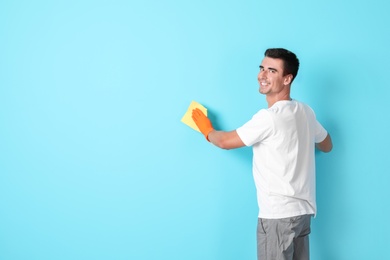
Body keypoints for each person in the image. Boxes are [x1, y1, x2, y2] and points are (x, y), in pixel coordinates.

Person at [191, 48, 333, 260]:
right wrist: (298, 143)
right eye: (262, 68)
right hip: (302, 213)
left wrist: (206, 129)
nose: (262, 75)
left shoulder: (268, 118)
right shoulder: (305, 112)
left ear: (287, 78)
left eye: (272, 71)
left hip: (277, 216)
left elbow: (224, 142)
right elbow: (326, 145)